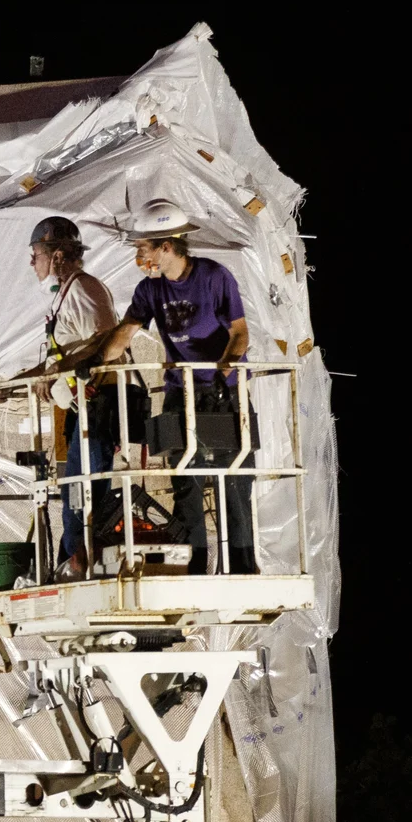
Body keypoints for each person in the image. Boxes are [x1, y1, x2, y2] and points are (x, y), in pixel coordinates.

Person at [66, 199, 256, 574]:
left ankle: (243, 563)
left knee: (233, 479)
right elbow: (126, 332)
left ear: (166, 247)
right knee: (184, 477)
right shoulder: (149, 290)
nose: (140, 257)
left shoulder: (215, 277)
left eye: (143, 248)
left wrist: (225, 373)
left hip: (223, 393)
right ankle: (197, 563)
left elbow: (240, 332)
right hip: (179, 391)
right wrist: (96, 360)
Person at [1, 217, 117, 579]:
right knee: (74, 492)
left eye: (36, 254)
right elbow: (69, 351)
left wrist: (47, 374)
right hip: (82, 407)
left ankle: (80, 564)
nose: (32, 262)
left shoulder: (83, 289)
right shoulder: (67, 293)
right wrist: (40, 380)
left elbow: (103, 343)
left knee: (84, 491)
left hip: (99, 405)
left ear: (57, 256)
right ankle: (73, 563)